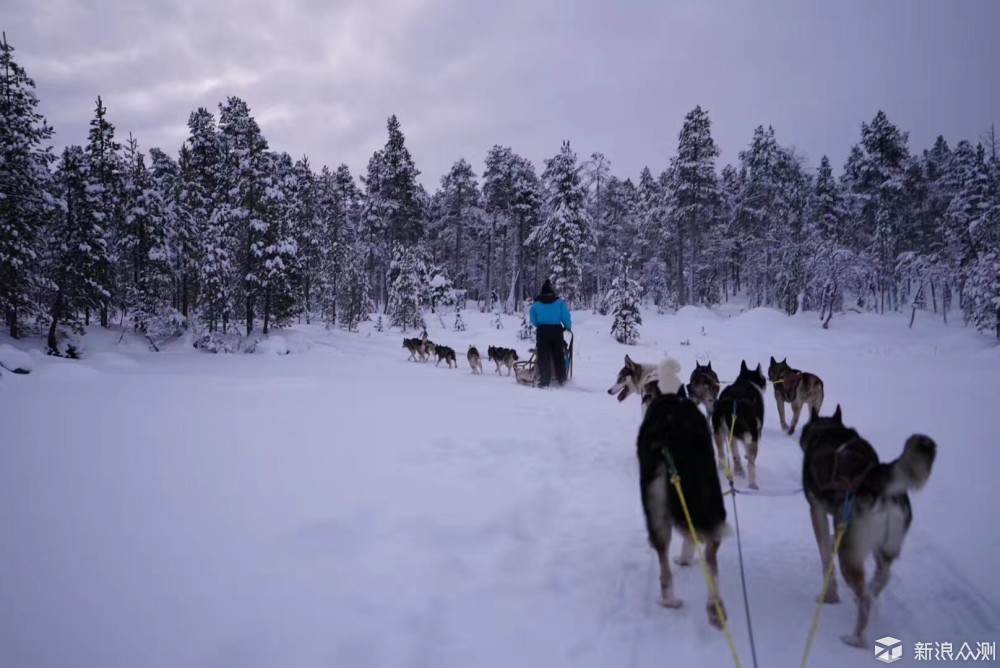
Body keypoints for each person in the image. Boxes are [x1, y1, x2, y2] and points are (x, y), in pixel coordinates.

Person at [529, 279, 572, 387]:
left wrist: (540, 325)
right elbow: (565, 317)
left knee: (543, 355)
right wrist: (567, 326)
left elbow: (533, 320)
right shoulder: (559, 303)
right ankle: (561, 378)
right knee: (558, 353)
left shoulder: (536, 304)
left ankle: (544, 380)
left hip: (542, 331)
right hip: (556, 331)